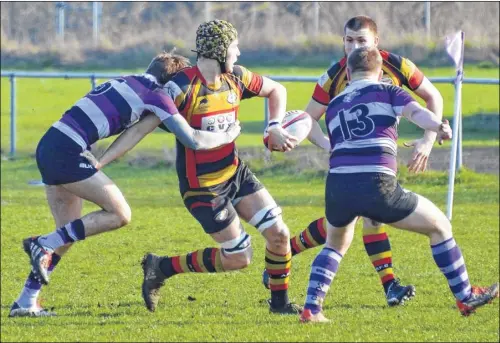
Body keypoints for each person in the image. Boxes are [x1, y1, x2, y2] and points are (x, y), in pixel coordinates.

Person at [10, 52, 242, 317]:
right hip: (67, 152)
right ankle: (43, 243)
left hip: (52, 145)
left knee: (68, 232)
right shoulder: (158, 94)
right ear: (171, 80)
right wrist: (229, 133)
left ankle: (26, 300)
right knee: (120, 214)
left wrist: (104, 158)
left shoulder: (129, 81)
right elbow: (194, 140)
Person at [94, 20, 302, 314]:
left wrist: (275, 126)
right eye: (234, 47)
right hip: (203, 189)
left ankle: (280, 306)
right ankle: (161, 267)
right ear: (219, 51)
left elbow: (276, 90)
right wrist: (102, 160)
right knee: (240, 258)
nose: (239, 53)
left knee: (280, 235)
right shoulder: (181, 88)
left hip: (235, 173)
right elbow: (140, 129)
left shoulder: (237, 78)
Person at [299, 46, 499, 323]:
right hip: (376, 184)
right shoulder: (388, 90)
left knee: (334, 245)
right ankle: (465, 296)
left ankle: (312, 308)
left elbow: (317, 128)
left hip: (337, 186)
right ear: (380, 72)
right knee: (440, 226)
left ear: (347, 72)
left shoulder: (334, 105)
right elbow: (417, 113)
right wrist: (439, 125)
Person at [263, 15, 444, 306]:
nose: (354, 46)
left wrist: (427, 141)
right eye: (348, 40)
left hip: (381, 156)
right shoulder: (334, 74)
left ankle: (288, 254)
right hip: (353, 162)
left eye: (361, 40)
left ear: (376, 42)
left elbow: (432, 97)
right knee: (362, 217)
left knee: (355, 219)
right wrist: (328, 145)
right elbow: (308, 119)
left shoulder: (398, 65)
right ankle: (390, 287)